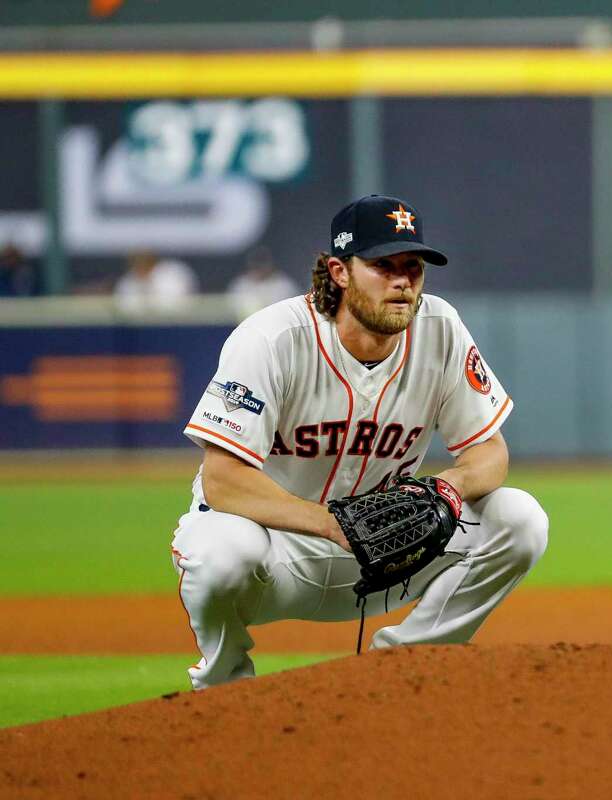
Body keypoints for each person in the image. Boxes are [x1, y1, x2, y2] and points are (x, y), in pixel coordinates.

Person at [170, 194, 549, 690]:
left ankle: (402, 672)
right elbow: (223, 482)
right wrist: (330, 525)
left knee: (519, 519)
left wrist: (449, 487)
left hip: (390, 553)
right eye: (382, 265)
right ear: (340, 271)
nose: (402, 281)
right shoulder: (271, 339)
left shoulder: (441, 329)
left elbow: (489, 451)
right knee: (220, 551)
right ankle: (224, 689)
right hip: (277, 554)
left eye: (412, 267)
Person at [226, 245, 302, 319]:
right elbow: (231, 312)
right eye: (256, 265)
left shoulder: (284, 285)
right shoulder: (241, 284)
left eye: (262, 264)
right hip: (245, 327)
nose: (259, 270)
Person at [113, 251, 197, 314]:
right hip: (140, 330)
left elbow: (182, 305)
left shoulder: (172, 273)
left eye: (143, 259)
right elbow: (125, 309)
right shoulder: (127, 282)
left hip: (176, 325)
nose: (140, 263)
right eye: (136, 260)